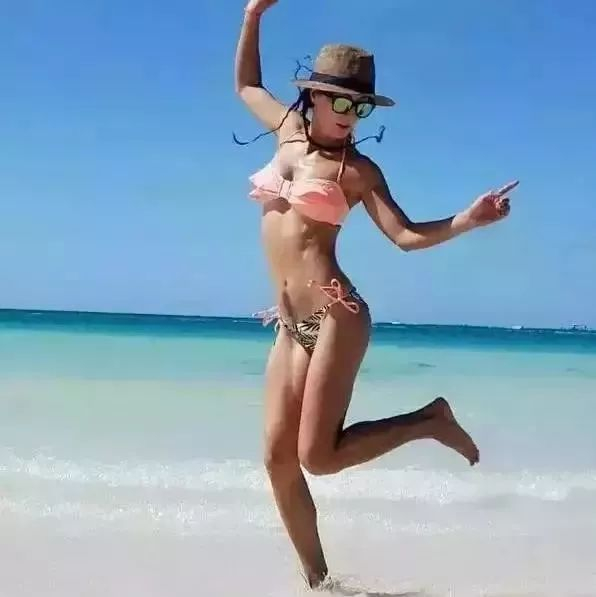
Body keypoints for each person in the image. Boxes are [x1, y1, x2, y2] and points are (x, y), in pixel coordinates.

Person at [234, 0, 517, 589]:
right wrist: (253, 15)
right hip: (290, 324)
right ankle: (319, 583)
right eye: (341, 102)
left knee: (318, 457)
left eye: (359, 107)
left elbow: (405, 236)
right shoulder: (286, 135)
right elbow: (247, 85)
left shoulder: (358, 171)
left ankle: (428, 421)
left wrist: (468, 220)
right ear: (313, 97)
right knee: (278, 460)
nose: (350, 116)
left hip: (336, 315)